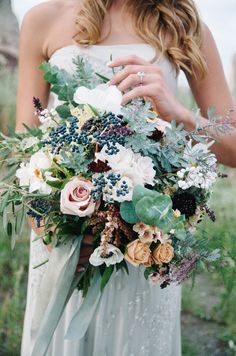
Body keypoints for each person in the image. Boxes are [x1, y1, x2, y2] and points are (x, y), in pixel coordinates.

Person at [16, 1, 236, 355]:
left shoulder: (183, 23)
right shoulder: (43, 19)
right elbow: (24, 147)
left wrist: (176, 111)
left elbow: (233, 147)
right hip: (62, 244)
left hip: (145, 244)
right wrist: (49, 226)